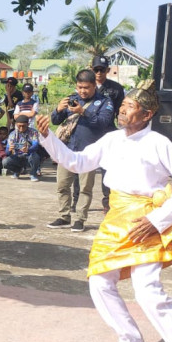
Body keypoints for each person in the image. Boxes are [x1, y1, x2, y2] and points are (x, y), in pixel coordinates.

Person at [34, 81, 172, 342]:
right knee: (99, 281)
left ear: (147, 114)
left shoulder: (160, 144)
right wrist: (48, 137)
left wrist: (158, 221)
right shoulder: (111, 140)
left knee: (146, 287)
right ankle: (130, 338)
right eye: (123, 105)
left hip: (146, 221)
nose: (123, 110)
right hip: (115, 218)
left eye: (130, 107)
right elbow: (77, 162)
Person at [47, 69, 114, 232]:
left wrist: (83, 111)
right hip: (67, 149)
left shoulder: (105, 102)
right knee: (62, 185)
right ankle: (64, 216)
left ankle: (80, 219)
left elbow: (104, 122)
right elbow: (55, 120)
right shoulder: (72, 98)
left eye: (86, 88)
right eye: (80, 87)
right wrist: (58, 109)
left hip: (88, 153)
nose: (82, 91)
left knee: (85, 188)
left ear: (94, 86)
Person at [93, 55, 125, 210]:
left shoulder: (116, 88)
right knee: (82, 169)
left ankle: (107, 202)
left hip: (107, 132)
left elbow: (121, 112)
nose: (99, 73)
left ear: (108, 70)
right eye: (96, 69)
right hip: (89, 132)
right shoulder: (86, 85)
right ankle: (76, 201)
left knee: (107, 169)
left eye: (102, 69)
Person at [3, 115, 42, 181]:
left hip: (29, 156)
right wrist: (9, 150)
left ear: (28, 124)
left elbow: (36, 145)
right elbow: (7, 152)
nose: (21, 128)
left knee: (35, 156)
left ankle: (33, 173)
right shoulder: (12, 134)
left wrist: (29, 150)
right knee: (5, 162)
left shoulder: (33, 132)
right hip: (17, 156)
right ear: (16, 125)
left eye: (23, 126)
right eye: (19, 126)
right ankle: (18, 171)